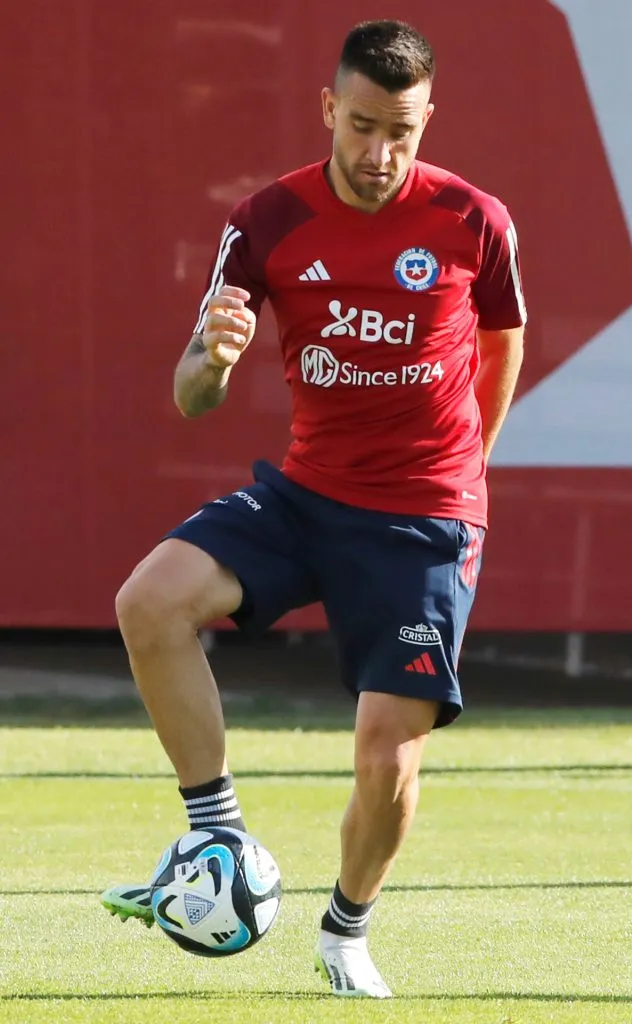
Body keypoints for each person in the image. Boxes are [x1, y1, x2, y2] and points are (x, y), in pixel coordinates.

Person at [100, 18, 526, 998]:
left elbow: (504, 342)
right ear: (329, 109)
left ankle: (344, 931)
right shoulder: (262, 222)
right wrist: (211, 358)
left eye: (402, 133)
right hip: (303, 496)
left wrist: (470, 468)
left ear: (427, 122)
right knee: (148, 601)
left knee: (387, 761)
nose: (380, 154)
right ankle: (217, 836)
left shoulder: (474, 221)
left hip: (425, 516)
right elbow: (189, 393)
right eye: (363, 127)